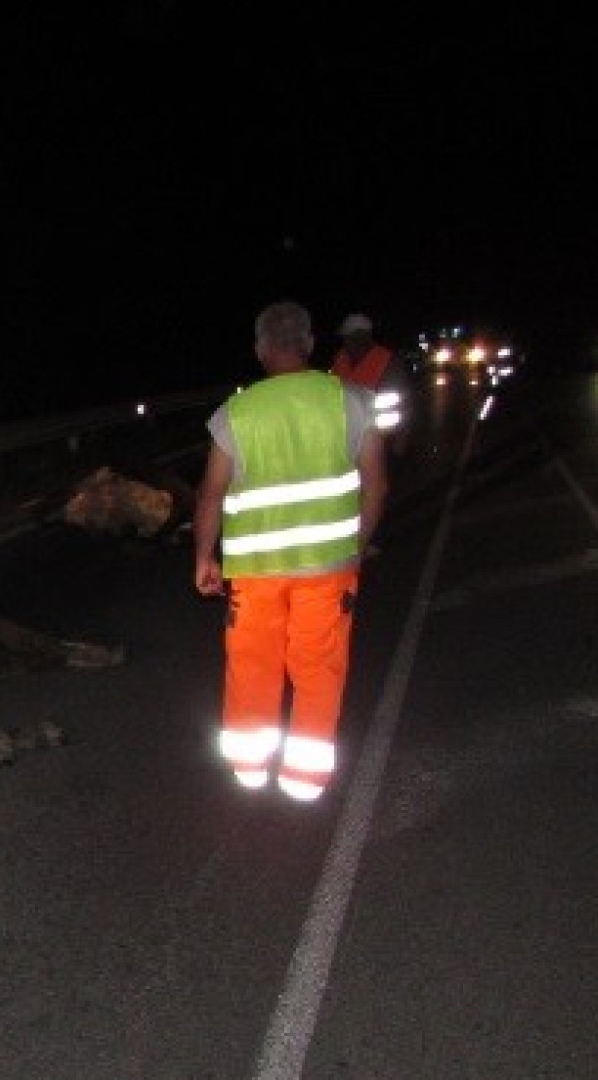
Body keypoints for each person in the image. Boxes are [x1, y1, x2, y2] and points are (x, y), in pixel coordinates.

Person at [192, 301, 388, 802]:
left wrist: (204, 557)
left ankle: (250, 771)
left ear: (260, 349)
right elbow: (376, 486)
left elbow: (211, 493)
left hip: (255, 571)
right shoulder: (354, 400)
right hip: (327, 567)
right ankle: (304, 781)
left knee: (252, 666)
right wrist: (357, 545)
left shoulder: (236, 412)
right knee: (319, 667)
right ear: (309, 343)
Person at [330, 312, 407, 453]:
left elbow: (400, 402)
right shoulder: (340, 359)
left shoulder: (388, 360)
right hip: (347, 434)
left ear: (364, 336)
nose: (346, 341)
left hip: (380, 435)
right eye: (346, 337)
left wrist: (400, 436)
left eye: (350, 336)